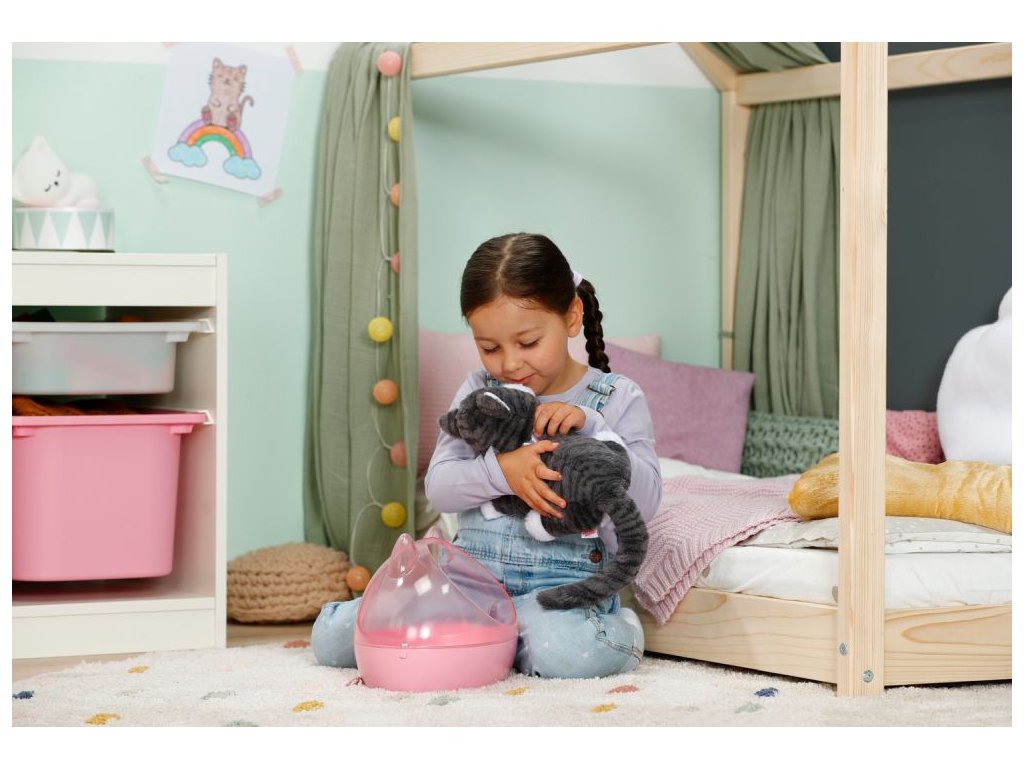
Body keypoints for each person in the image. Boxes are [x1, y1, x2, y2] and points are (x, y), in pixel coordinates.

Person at [312, 232, 662, 678]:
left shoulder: (617, 397)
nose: (510, 364)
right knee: (335, 639)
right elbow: (440, 488)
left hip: (559, 594)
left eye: (528, 342)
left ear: (572, 316)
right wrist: (503, 472)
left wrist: (592, 427)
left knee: (568, 652)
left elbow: (646, 503)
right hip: (470, 586)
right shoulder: (481, 391)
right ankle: (502, 640)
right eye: (490, 348)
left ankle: (601, 631)